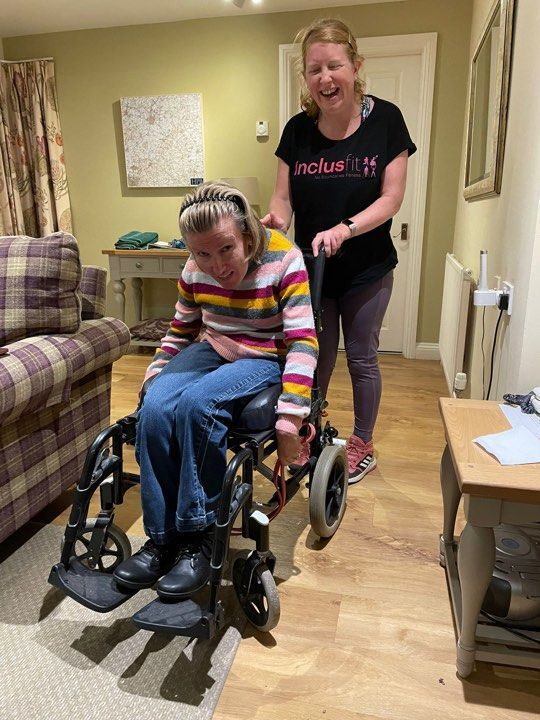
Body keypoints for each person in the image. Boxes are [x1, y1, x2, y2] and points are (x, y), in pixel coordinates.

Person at [113, 181, 318, 599]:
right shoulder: (193, 269)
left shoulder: (284, 259)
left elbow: (303, 341)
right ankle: (162, 540)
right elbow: (181, 330)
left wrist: (290, 416)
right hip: (214, 344)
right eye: (202, 253)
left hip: (264, 355)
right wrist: (155, 373)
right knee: (155, 405)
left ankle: (199, 539)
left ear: (246, 233)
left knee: (197, 404)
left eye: (226, 249)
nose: (217, 265)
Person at [261, 17, 416, 484]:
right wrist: (275, 223)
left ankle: (362, 443)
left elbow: (391, 198)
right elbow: (283, 198)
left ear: (355, 66)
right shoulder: (297, 130)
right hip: (314, 269)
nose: (325, 78)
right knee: (313, 356)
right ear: (305, 78)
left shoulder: (386, 120)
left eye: (335, 66)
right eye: (314, 70)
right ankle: (309, 431)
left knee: (362, 358)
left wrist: (346, 229)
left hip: (367, 269)